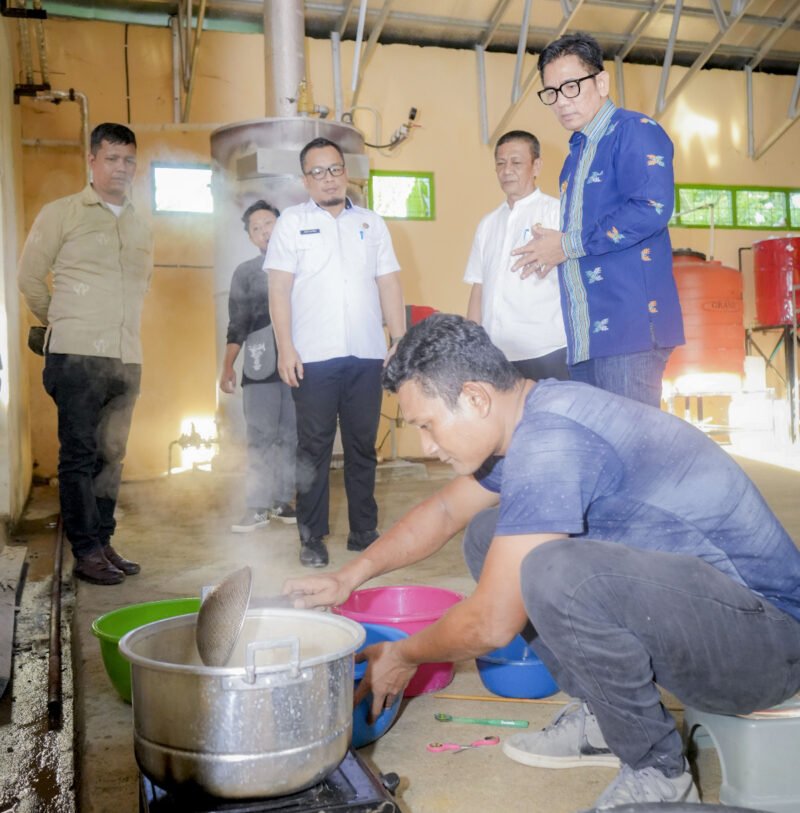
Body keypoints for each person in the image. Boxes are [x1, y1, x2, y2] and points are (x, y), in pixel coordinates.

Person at [283, 314, 800, 810]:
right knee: (489, 536)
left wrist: (402, 655)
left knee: (554, 574)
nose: (426, 444)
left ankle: (658, 773)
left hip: (767, 645)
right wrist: (349, 577)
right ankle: (606, 720)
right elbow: (443, 512)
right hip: (718, 614)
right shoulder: (532, 413)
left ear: (475, 397)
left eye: (429, 425)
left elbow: (490, 622)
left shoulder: (551, 441)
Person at [511, 32, 684, 408]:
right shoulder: (575, 156)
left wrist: (566, 244)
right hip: (586, 336)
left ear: (601, 82)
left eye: (571, 86)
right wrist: (555, 249)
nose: (561, 101)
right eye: (551, 92)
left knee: (632, 453)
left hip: (629, 328)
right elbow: (583, 238)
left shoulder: (635, 131)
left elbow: (651, 207)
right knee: (602, 454)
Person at [18, 123, 151, 586]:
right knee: (78, 454)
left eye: (128, 160)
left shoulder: (138, 220)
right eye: (112, 158)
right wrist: (64, 322)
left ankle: (103, 538)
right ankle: (85, 548)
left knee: (111, 455)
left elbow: (141, 286)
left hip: (125, 356)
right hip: (76, 356)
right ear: (92, 161)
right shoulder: (63, 213)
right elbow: (30, 277)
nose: (121, 168)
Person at [266, 137, 405, 568]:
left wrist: (399, 339)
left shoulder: (371, 223)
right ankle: (311, 537)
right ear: (305, 179)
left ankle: (364, 530)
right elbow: (279, 289)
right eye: (318, 171)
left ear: (346, 172)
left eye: (335, 169)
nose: (328, 178)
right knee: (314, 449)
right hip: (313, 356)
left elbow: (388, 283)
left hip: (365, 354)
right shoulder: (291, 222)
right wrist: (285, 347)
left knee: (363, 445)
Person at [219, 200, 298, 533]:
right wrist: (228, 366)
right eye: (257, 227)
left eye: (270, 223)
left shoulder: (302, 264)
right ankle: (257, 506)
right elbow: (237, 322)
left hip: (299, 363)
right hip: (260, 361)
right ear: (251, 237)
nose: (265, 231)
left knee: (291, 437)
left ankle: (283, 501)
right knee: (261, 436)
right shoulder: (246, 272)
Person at [465, 130, 568, 381]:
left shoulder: (558, 213)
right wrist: (471, 345)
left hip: (548, 351)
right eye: (500, 163)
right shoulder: (488, 224)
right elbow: (479, 288)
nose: (506, 169)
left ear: (536, 166)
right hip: (497, 356)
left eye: (516, 162)